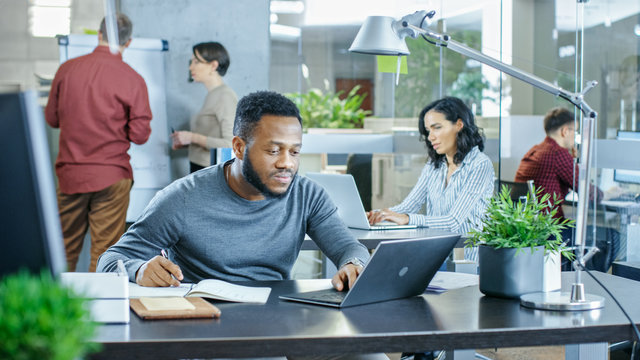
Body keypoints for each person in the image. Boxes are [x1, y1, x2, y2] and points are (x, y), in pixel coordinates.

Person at [97, 91, 368, 292]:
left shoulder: (308, 195)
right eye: (274, 151)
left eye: (294, 151)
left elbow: (348, 247)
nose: (287, 162)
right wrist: (140, 269)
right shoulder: (181, 198)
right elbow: (110, 260)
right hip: (206, 325)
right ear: (238, 147)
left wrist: (353, 264)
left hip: (278, 319)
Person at [45, 13, 152, 272]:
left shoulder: (67, 69)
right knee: (105, 253)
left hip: (71, 175)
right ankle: (99, 311)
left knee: (62, 250)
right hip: (112, 176)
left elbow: (52, 119)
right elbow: (140, 135)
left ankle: (59, 309)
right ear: (128, 42)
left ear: (99, 34)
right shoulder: (132, 78)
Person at [366, 97, 495, 259]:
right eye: (428, 131)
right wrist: (377, 214)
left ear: (459, 125)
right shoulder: (435, 165)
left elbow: (453, 222)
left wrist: (407, 219)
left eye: (437, 128)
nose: (430, 137)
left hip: (469, 260)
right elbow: (409, 206)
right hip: (438, 255)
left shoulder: (480, 165)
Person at [171, 42, 238, 173]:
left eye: (196, 62)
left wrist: (192, 137)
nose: (191, 67)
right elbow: (211, 136)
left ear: (213, 65)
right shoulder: (213, 94)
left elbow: (231, 144)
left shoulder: (225, 96)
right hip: (200, 169)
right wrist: (187, 141)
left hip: (210, 171)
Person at [515, 107, 588, 220]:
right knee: (611, 233)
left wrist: (571, 160)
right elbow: (586, 190)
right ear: (565, 131)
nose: (576, 136)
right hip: (549, 228)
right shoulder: (557, 153)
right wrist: (609, 193)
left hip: (527, 227)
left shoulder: (535, 150)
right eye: (575, 131)